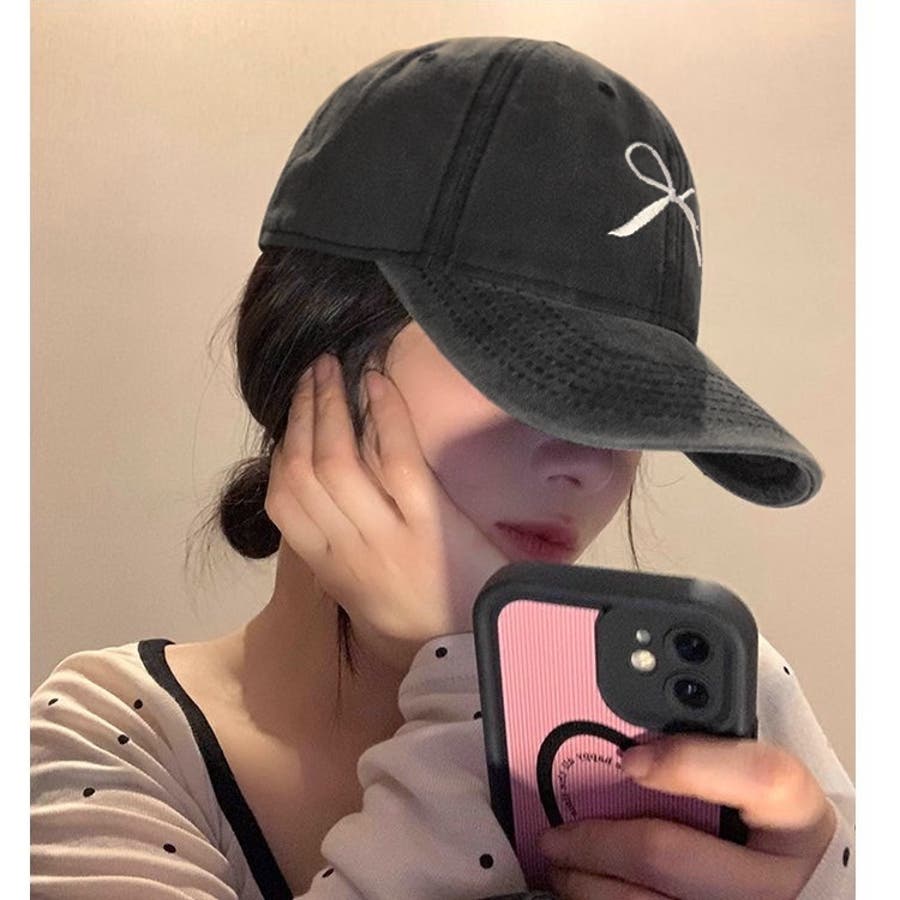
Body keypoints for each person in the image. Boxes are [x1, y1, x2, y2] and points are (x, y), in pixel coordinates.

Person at [31, 36, 854, 899]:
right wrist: (469, 679)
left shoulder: (716, 703)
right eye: (524, 374)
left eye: (630, 406)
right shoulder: (99, 741)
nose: (590, 464)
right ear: (310, 343)